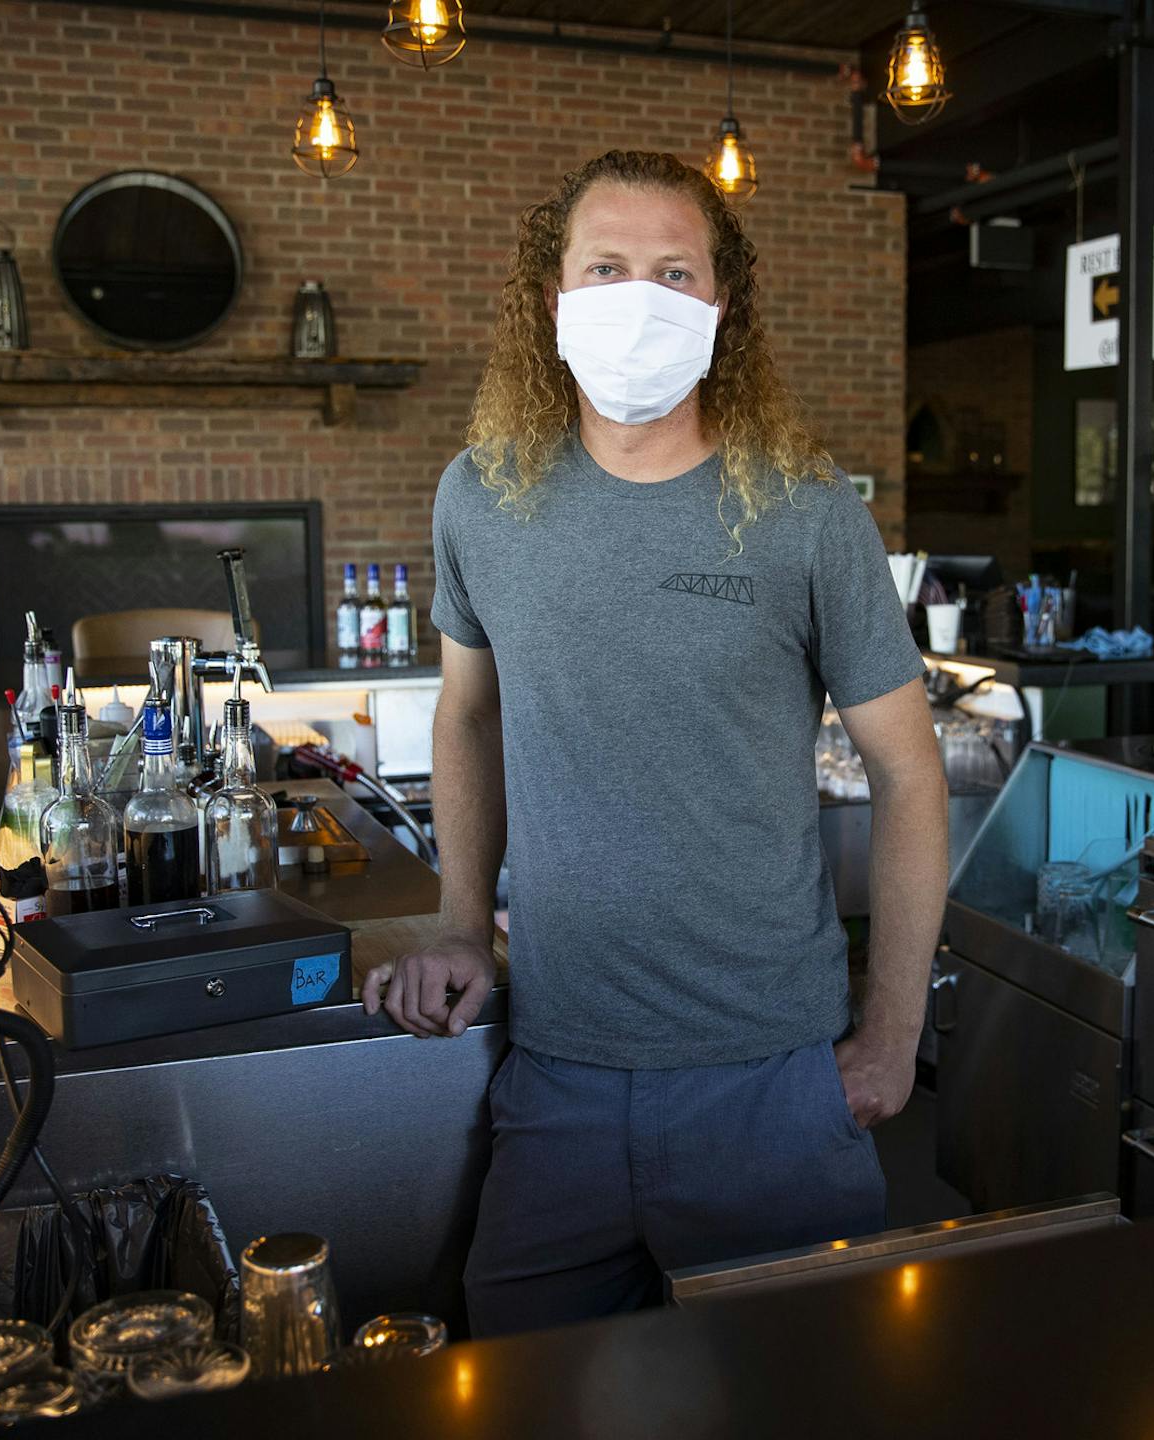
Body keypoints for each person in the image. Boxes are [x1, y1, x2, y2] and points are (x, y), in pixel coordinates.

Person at [361, 149, 948, 1336]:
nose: (642, 297)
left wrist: (891, 1036)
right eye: (609, 267)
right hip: (556, 1071)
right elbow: (469, 714)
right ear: (555, 301)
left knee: (807, 1403)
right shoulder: (482, 495)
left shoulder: (808, 510)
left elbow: (909, 771)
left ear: (721, 309)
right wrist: (460, 926)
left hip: (772, 1086)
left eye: (675, 271)